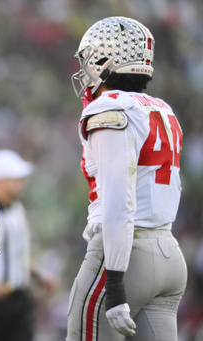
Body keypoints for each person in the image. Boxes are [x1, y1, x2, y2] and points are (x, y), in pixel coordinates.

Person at [67, 16, 187, 340]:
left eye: (89, 59)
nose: (84, 70)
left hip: (125, 255)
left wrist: (115, 279)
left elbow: (119, 200)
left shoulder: (110, 107)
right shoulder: (162, 108)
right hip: (168, 254)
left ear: (106, 60)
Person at [0, 149, 36, 341]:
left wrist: (37, 275)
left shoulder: (17, 209)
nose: (21, 184)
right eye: (15, 179)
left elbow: (17, 252)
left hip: (19, 295)